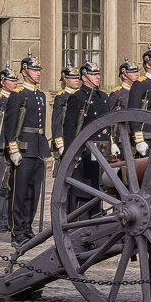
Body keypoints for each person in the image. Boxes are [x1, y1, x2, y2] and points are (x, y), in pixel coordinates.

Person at [4, 50, 50, 245]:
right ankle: (17, 230)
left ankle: (28, 227)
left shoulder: (39, 95)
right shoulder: (18, 95)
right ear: (24, 72)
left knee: (33, 191)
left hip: (38, 148)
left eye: (39, 70)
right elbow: (10, 124)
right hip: (23, 148)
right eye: (33, 70)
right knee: (19, 192)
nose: (38, 73)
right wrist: (13, 149)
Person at [63, 60, 109, 218]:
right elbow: (69, 127)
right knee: (83, 190)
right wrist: (72, 152)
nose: (97, 77)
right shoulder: (78, 97)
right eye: (93, 74)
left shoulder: (102, 96)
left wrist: (112, 142)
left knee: (98, 189)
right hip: (84, 150)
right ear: (84, 77)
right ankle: (80, 226)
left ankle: (95, 224)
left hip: (101, 148)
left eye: (98, 74)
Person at [0, 66, 18, 234]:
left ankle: (8, 219)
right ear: (2, 82)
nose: (14, 83)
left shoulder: (15, 100)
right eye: (10, 80)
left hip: (12, 148)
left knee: (10, 187)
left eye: (15, 80)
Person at [50, 64, 80, 162]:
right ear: (66, 80)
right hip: (67, 140)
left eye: (77, 78)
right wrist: (60, 144)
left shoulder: (81, 96)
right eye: (73, 78)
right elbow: (57, 122)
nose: (76, 80)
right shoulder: (61, 97)